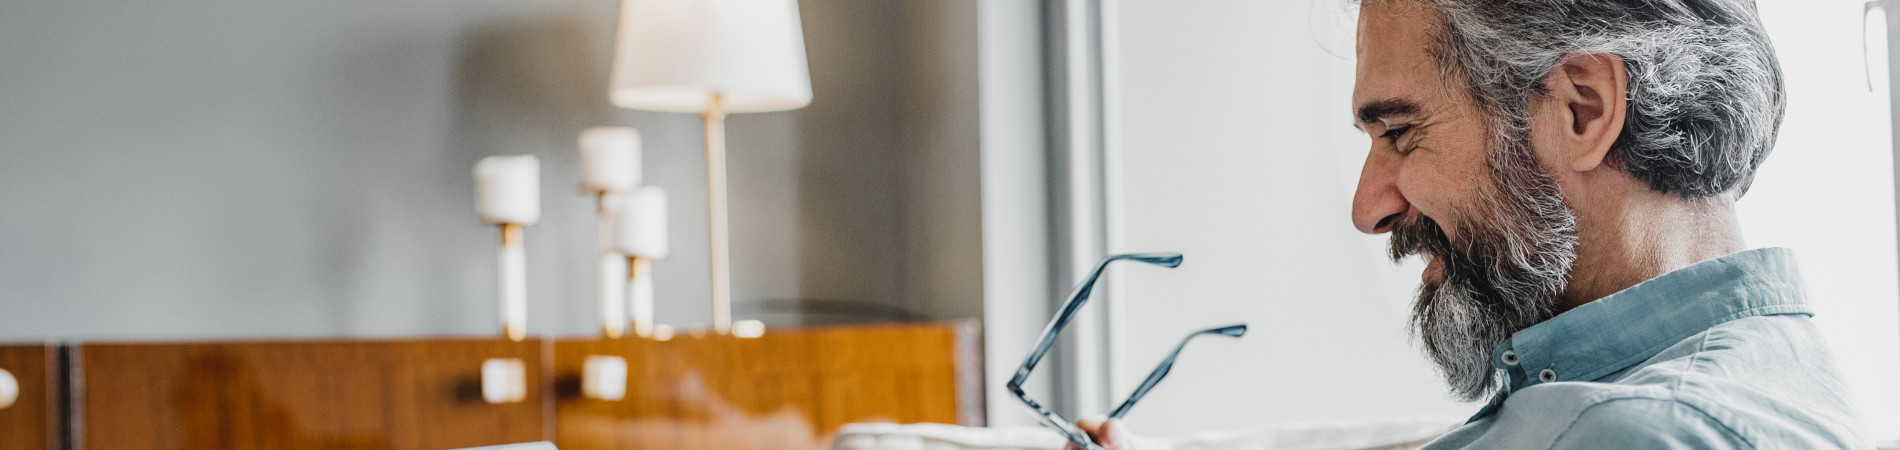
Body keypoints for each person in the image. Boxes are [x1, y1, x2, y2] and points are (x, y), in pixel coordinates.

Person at [1071, 0, 1871, 448]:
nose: (1369, 206)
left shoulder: (1627, 436)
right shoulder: (1771, 370)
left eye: (1400, 132)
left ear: (1581, 109)